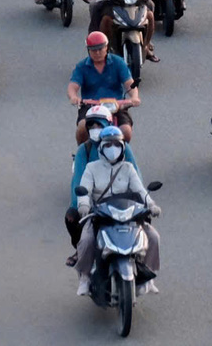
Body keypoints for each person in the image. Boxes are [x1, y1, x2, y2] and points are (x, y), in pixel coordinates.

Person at [70, 125, 160, 296]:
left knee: (153, 237)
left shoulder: (128, 168)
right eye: (108, 145)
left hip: (127, 214)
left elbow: (140, 191)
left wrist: (151, 204)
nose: (113, 149)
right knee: (87, 241)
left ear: (123, 147)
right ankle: (85, 277)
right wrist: (83, 205)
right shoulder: (92, 168)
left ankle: (148, 275)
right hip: (100, 214)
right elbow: (84, 189)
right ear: (102, 148)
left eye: (117, 145)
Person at [66, 30, 138, 142]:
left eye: (100, 49)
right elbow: (73, 86)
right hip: (90, 107)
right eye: (93, 50)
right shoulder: (82, 66)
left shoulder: (118, 62)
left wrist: (134, 97)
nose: (97, 53)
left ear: (106, 48)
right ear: (88, 50)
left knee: (126, 131)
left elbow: (129, 83)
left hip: (116, 106)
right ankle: (82, 154)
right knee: (82, 127)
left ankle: (122, 154)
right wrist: (73, 97)